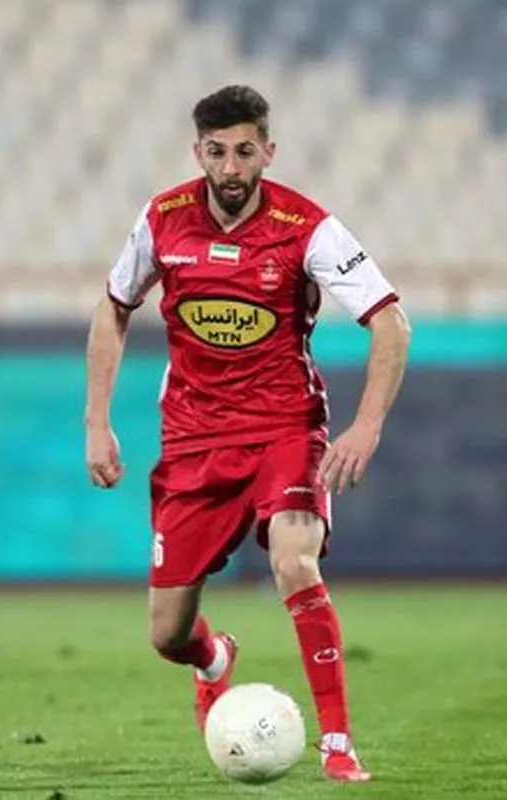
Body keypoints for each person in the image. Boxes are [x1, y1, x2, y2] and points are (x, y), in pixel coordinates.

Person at [84, 85, 411, 783]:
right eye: (216, 152)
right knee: (167, 633)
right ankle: (213, 659)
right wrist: (97, 422)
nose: (230, 168)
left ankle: (338, 742)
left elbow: (390, 321)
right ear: (197, 152)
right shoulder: (163, 220)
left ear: (268, 151)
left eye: (243, 151)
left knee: (294, 561)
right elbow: (113, 308)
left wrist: (366, 425)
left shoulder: (306, 227)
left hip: (284, 428)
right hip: (194, 439)